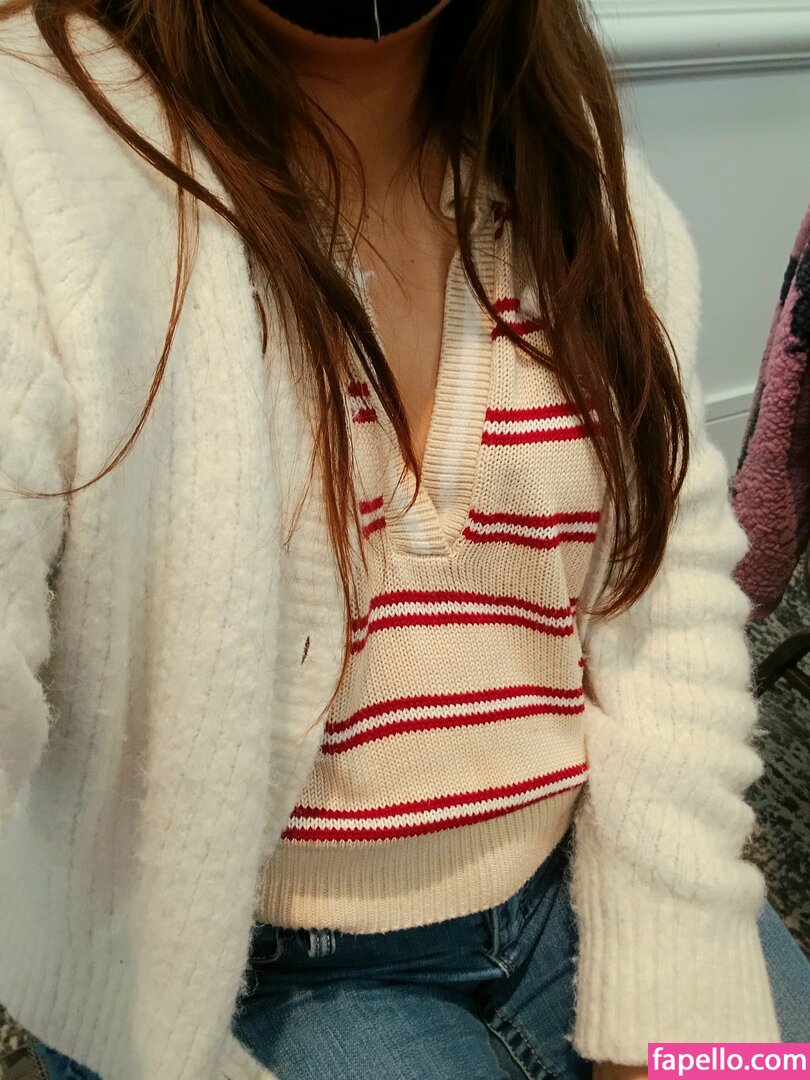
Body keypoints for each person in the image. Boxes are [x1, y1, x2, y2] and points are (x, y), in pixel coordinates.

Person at [0, 1, 808, 1079]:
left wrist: (677, 985)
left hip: (582, 873)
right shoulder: (36, 159)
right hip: (242, 970)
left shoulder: (573, 162)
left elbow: (664, 593)